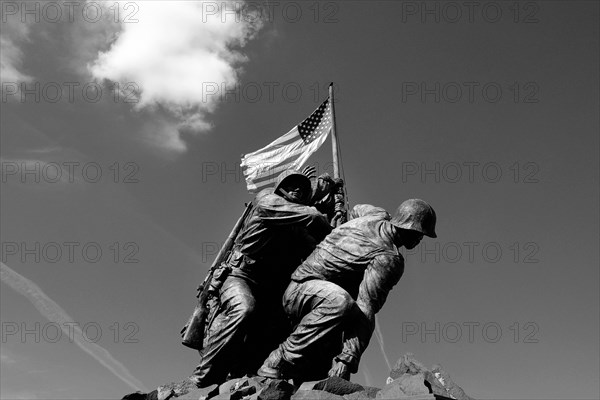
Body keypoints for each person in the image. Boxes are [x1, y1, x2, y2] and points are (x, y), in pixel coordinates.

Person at [257, 199, 438, 382]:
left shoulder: (376, 213)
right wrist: (348, 359)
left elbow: (356, 210)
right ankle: (278, 359)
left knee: (338, 311)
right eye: (419, 232)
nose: (420, 238)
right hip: (303, 293)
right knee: (341, 302)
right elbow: (366, 307)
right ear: (406, 225)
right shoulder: (388, 259)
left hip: (304, 292)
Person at [191, 170, 333, 387]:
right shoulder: (268, 201)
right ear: (281, 187)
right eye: (292, 185)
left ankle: (249, 373)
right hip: (240, 275)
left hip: (268, 287)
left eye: (303, 189)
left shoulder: (293, 225)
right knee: (244, 308)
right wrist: (320, 204)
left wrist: (340, 219)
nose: (298, 190)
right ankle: (204, 376)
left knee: (283, 325)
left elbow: (319, 246)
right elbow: (314, 217)